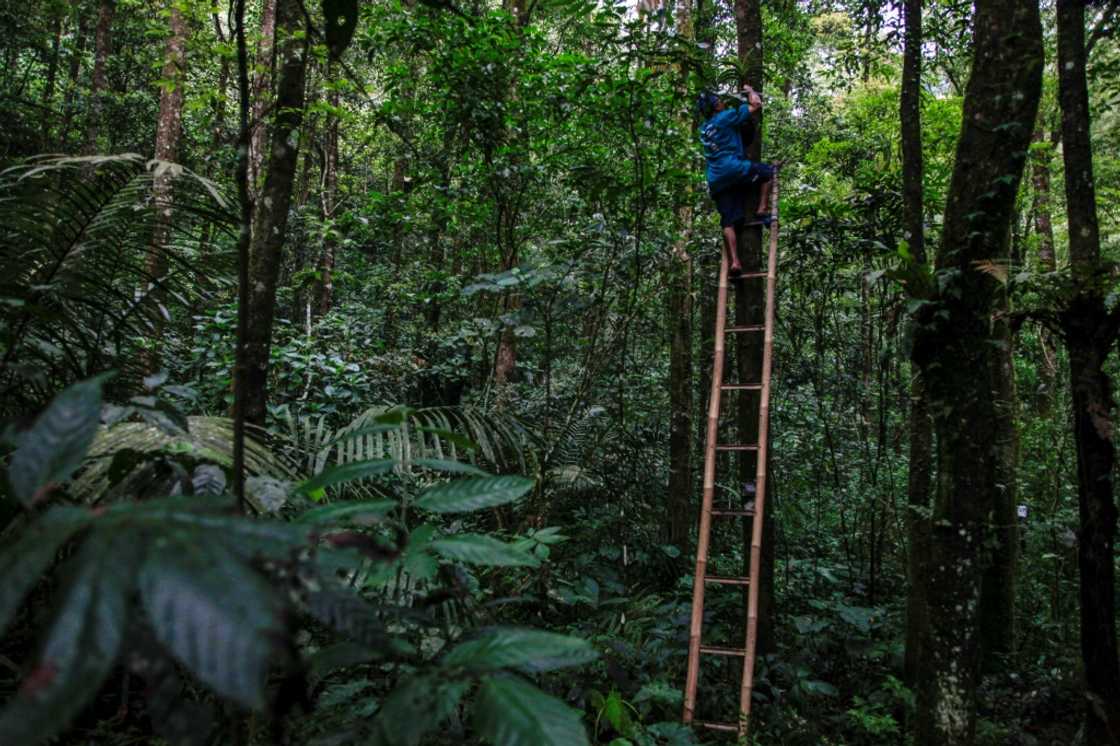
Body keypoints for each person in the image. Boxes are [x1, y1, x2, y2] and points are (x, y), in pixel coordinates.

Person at [697, 85, 775, 276]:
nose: (722, 102)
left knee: (728, 221)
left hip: (716, 179)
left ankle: (735, 262)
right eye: (719, 100)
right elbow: (755, 104)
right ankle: (762, 209)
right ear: (716, 106)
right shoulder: (726, 117)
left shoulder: (705, 129)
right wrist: (749, 91)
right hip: (733, 168)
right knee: (768, 173)